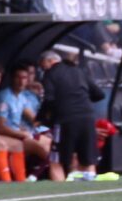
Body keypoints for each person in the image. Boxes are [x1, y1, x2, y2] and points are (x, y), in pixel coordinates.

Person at [38, 51, 104, 181]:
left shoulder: (50, 74)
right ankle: (92, 188)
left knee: (56, 160)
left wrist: (41, 118)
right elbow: (99, 94)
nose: (42, 69)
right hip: (87, 117)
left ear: (49, 61)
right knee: (88, 159)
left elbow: (49, 99)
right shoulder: (78, 71)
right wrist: (81, 100)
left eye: (42, 66)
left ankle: (60, 190)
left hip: (65, 119)